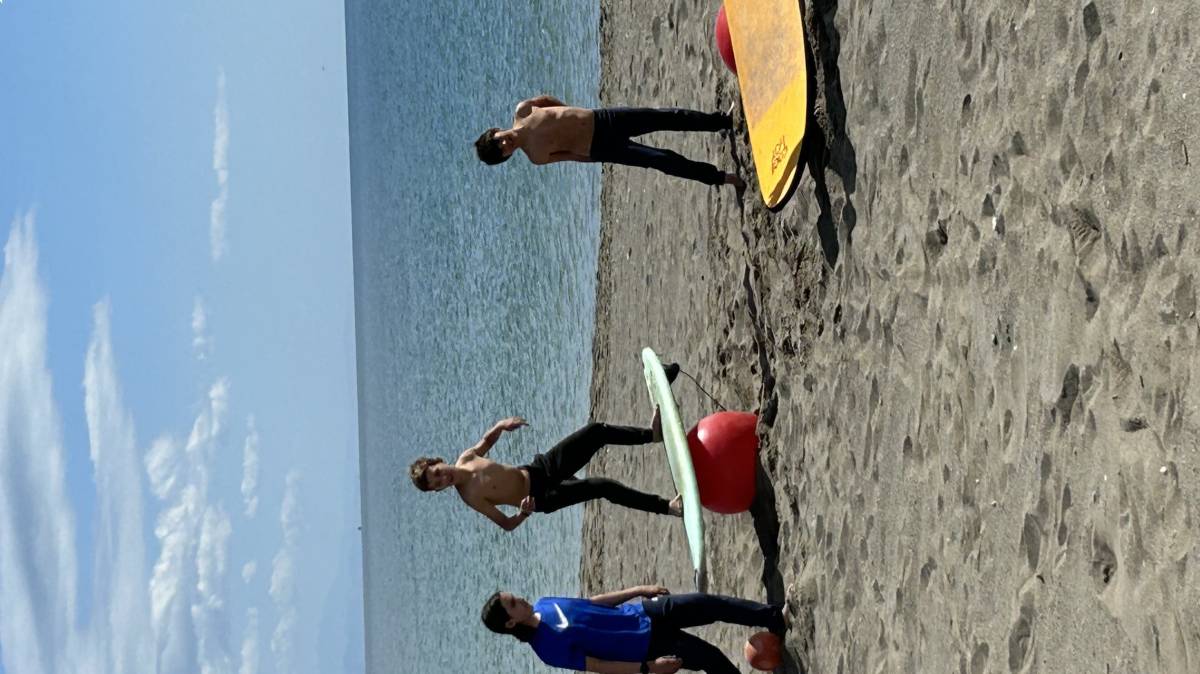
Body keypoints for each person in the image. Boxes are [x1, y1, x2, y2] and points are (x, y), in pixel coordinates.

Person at [408, 366, 684, 531]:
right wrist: (524, 513)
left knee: (596, 432)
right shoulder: (470, 496)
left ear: (437, 462)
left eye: (437, 472)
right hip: (542, 497)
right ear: (438, 490)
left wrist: (501, 425)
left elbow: (486, 442)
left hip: (539, 468)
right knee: (602, 487)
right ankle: (668, 507)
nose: (443, 478)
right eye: (437, 483)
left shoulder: (466, 457)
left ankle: (652, 436)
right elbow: (506, 524)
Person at [481, 586, 788, 674]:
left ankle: (774, 617)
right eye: (513, 603)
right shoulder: (547, 649)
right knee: (713, 658)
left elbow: (593, 603)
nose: (520, 599)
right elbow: (598, 666)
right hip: (647, 646)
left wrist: (638, 590)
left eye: (513, 596)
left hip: (643, 612)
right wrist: (649, 668)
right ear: (510, 623)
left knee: (708, 603)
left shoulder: (544, 603)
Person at [475, 95, 744, 188]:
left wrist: (573, 112)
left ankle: (721, 121)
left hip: (604, 119)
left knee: (664, 117)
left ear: (496, 130)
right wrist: (597, 154)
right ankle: (720, 178)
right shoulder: (536, 156)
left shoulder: (523, 110)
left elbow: (546, 100)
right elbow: (572, 156)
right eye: (501, 151)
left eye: (498, 141)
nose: (504, 144)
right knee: (661, 160)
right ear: (506, 157)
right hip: (601, 148)